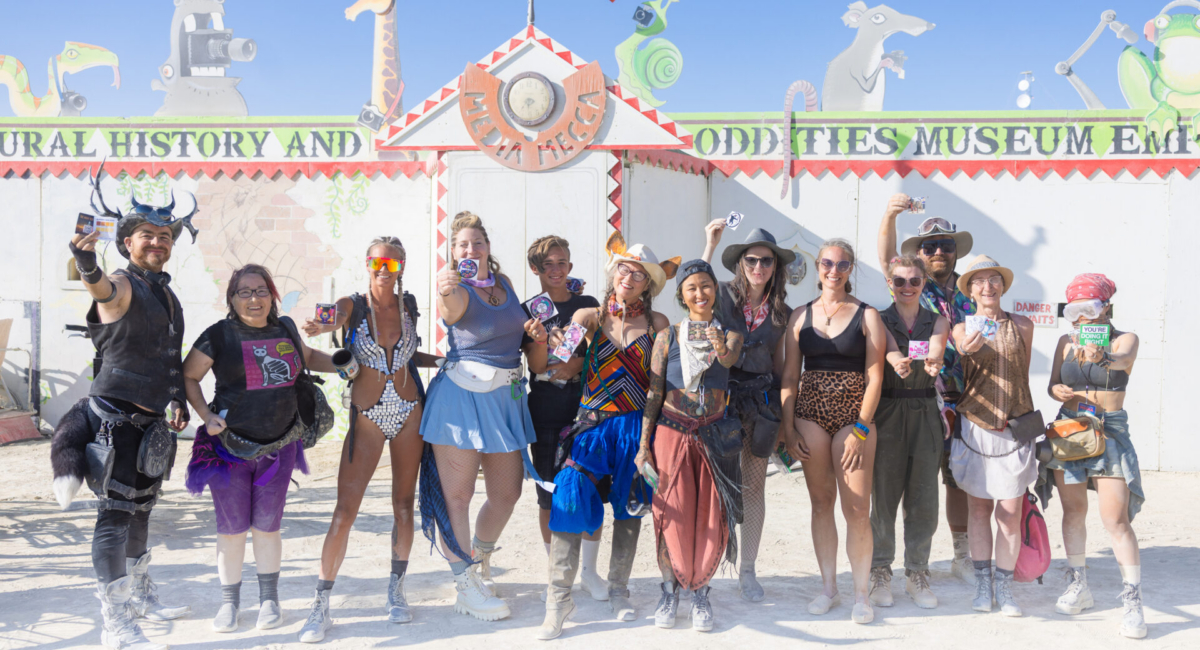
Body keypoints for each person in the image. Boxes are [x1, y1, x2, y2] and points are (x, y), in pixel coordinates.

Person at [54, 177, 199, 650]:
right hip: (114, 422)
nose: (158, 242)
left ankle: (139, 596)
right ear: (127, 243)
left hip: (152, 424)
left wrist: (177, 398)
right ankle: (114, 622)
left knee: (142, 513)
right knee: (115, 519)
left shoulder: (169, 296)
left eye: (165, 236)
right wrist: (86, 263)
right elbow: (102, 290)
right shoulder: (122, 284)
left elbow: (169, 356)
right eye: (147, 235)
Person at [295, 236, 441, 642]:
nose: (384, 270)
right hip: (368, 417)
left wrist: (448, 361)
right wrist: (323, 325)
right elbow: (334, 316)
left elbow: (410, 358)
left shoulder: (409, 306)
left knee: (403, 507)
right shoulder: (353, 304)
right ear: (367, 263)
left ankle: (396, 591)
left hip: (410, 412)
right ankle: (320, 604)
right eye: (378, 263)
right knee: (345, 511)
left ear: (402, 267)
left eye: (392, 264)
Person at [533, 233, 676, 640]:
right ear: (614, 273)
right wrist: (549, 341)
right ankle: (558, 601)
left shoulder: (658, 325)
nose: (628, 277)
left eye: (638, 274)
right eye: (623, 269)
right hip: (592, 426)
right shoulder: (589, 317)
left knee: (629, 508)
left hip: (634, 428)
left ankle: (618, 591)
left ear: (648, 284)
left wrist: (648, 442)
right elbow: (559, 360)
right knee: (569, 496)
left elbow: (658, 387)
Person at [182, 265, 336, 634]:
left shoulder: (285, 328)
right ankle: (229, 604)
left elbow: (308, 357)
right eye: (245, 292)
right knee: (232, 530)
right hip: (229, 449)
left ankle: (270, 601)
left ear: (272, 295)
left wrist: (346, 365)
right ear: (232, 299)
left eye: (261, 290)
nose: (254, 298)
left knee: (268, 527)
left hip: (280, 447)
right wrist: (205, 415)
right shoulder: (218, 335)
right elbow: (188, 375)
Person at [420, 212, 540, 622]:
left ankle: (479, 559)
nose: (470, 249)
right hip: (461, 400)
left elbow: (516, 333)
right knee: (458, 496)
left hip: (505, 400)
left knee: (507, 494)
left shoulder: (503, 284)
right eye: (462, 245)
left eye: (477, 242)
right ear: (453, 253)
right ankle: (465, 585)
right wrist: (445, 289)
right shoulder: (455, 289)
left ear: (487, 246)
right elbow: (451, 311)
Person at [780, 238, 886, 624]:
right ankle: (829, 589)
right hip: (810, 415)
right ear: (818, 266)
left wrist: (861, 428)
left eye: (842, 265)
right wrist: (788, 429)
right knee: (821, 502)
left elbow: (876, 377)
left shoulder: (867, 315)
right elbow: (789, 377)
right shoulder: (800, 316)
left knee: (857, 508)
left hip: (853, 418)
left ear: (850, 269)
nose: (833, 271)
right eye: (827, 263)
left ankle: (861, 595)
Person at [636, 259, 744, 633]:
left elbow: (729, 358)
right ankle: (669, 591)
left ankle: (700, 592)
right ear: (682, 296)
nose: (700, 293)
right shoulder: (667, 336)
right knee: (671, 513)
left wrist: (719, 344)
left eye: (706, 285)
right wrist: (643, 445)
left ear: (715, 290)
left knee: (710, 515)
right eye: (691, 287)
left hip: (713, 437)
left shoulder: (730, 335)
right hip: (670, 432)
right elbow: (654, 392)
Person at [877, 195, 977, 584]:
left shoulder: (971, 292)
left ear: (955, 251)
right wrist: (890, 215)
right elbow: (888, 258)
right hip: (918, 398)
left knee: (958, 480)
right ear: (919, 254)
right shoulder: (911, 285)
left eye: (946, 245)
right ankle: (888, 566)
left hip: (966, 399)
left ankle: (961, 554)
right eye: (930, 246)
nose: (938, 252)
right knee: (904, 484)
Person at [1043, 274, 1146, 639]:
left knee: (1115, 518)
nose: (1083, 317)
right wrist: (1057, 389)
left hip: (1109, 428)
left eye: (1090, 308)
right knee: (1073, 511)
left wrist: (1102, 355)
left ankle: (1133, 600)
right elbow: (1052, 385)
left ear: (1106, 307)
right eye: (1075, 311)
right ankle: (1078, 584)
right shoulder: (1065, 342)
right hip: (1071, 429)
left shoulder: (1124, 339)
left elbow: (1122, 360)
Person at [700, 221, 794, 602]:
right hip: (719, 401)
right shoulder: (721, 295)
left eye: (766, 261)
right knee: (715, 485)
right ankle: (705, 568)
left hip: (759, 404)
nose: (758, 267)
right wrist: (710, 245)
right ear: (740, 263)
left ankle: (748, 570)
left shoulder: (782, 312)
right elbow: (694, 289)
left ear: (775, 266)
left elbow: (782, 367)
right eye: (751, 260)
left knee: (755, 486)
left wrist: (784, 421)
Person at [948, 255, 1036, 618]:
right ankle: (983, 584)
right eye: (979, 281)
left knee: (1010, 512)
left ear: (1003, 286)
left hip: (1015, 427)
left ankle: (1005, 586)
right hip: (977, 425)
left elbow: (1021, 374)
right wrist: (968, 344)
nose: (988, 286)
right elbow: (962, 349)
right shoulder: (961, 327)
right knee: (979, 508)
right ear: (970, 290)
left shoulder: (1023, 325)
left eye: (994, 279)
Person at [518, 236, 606, 599]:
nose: (557, 270)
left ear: (570, 265)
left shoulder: (588, 304)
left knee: (592, 489)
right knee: (549, 494)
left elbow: (604, 353)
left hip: (588, 407)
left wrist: (576, 365)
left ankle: (589, 572)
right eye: (548, 264)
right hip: (546, 407)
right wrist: (541, 342)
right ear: (535, 269)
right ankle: (558, 574)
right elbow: (537, 365)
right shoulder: (527, 311)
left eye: (563, 263)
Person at [868, 255, 950, 610]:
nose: (907, 287)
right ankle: (879, 571)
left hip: (924, 411)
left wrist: (934, 362)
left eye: (914, 281)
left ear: (923, 283)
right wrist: (894, 360)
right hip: (887, 410)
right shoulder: (878, 318)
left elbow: (937, 348)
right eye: (899, 281)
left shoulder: (937, 320)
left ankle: (917, 571)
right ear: (890, 284)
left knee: (924, 497)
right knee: (883, 496)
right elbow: (887, 349)